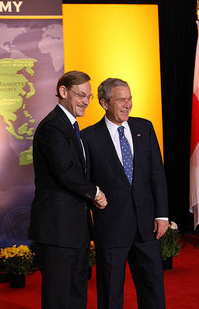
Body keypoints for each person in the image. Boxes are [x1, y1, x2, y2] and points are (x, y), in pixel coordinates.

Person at [81, 78, 168, 309]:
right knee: (110, 295)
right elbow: (84, 182)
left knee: (153, 291)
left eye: (130, 99)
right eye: (121, 100)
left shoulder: (144, 127)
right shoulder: (88, 137)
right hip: (111, 229)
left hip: (146, 228)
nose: (127, 105)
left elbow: (156, 174)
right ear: (104, 103)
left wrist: (162, 215)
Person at [29, 70, 107, 309]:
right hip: (58, 229)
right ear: (63, 92)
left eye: (89, 96)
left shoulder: (71, 126)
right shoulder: (53, 126)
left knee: (76, 292)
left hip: (75, 229)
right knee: (59, 296)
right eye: (81, 95)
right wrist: (95, 192)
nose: (86, 101)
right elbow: (66, 171)